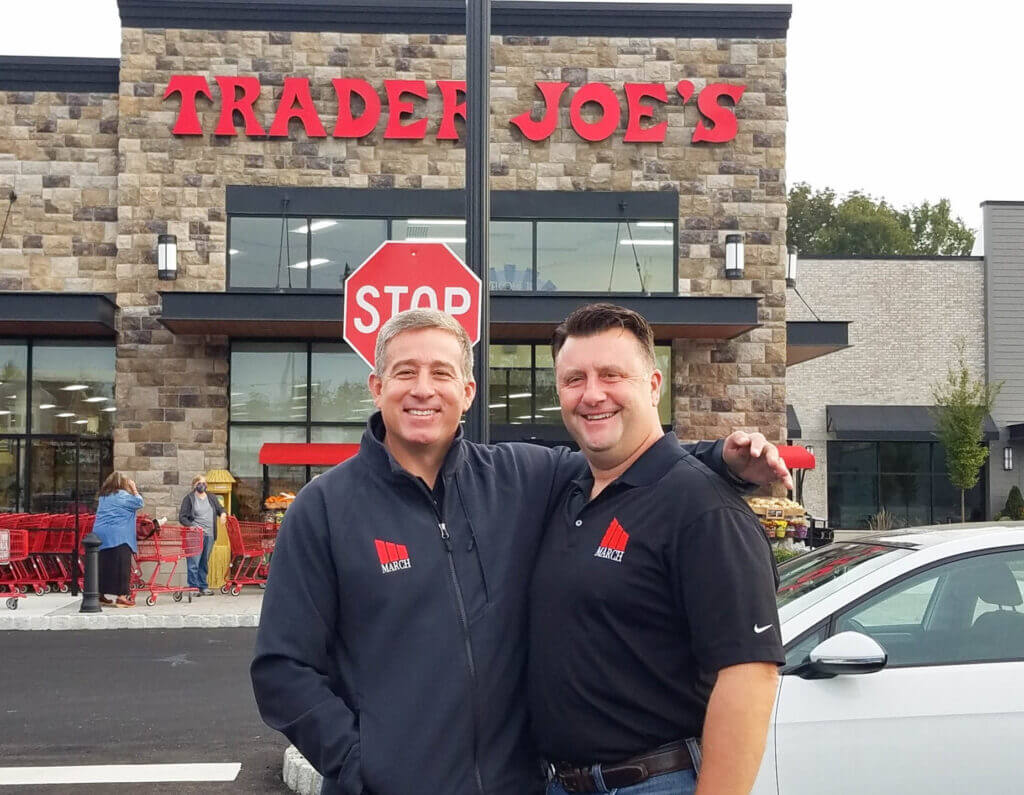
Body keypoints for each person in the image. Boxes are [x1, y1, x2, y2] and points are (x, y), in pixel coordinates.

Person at [251, 309, 791, 795]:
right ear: (376, 386)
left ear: (467, 392)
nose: (423, 389)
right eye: (405, 372)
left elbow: (628, 456)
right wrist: (361, 764)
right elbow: (282, 668)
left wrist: (719, 458)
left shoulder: (522, 478)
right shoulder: (323, 509)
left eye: (441, 374)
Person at [528, 304, 785, 795]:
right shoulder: (566, 490)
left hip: (653, 783)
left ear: (653, 385)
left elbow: (749, 677)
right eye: (574, 379)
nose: (592, 394)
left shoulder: (705, 509)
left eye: (611, 375)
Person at [92, 471, 144, 608]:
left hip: (100, 534)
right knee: (122, 565)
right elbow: (139, 502)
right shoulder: (123, 496)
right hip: (119, 535)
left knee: (104, 565)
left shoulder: (104, 497)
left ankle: (99, 595)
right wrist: (134, 489)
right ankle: (121, 597)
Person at [178, 473, 224, 596]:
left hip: (209, 534)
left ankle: (203, 586)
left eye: (204, 483)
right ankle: (193, 587)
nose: (202, 485)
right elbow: (182, 517)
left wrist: (223, 514)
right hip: (194, 536)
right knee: (194, 562)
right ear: (194, 485)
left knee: (204, 561)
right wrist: (192, 526)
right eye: (199, 483)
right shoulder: (189, 498)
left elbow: (220, 509)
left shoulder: (212, 497)